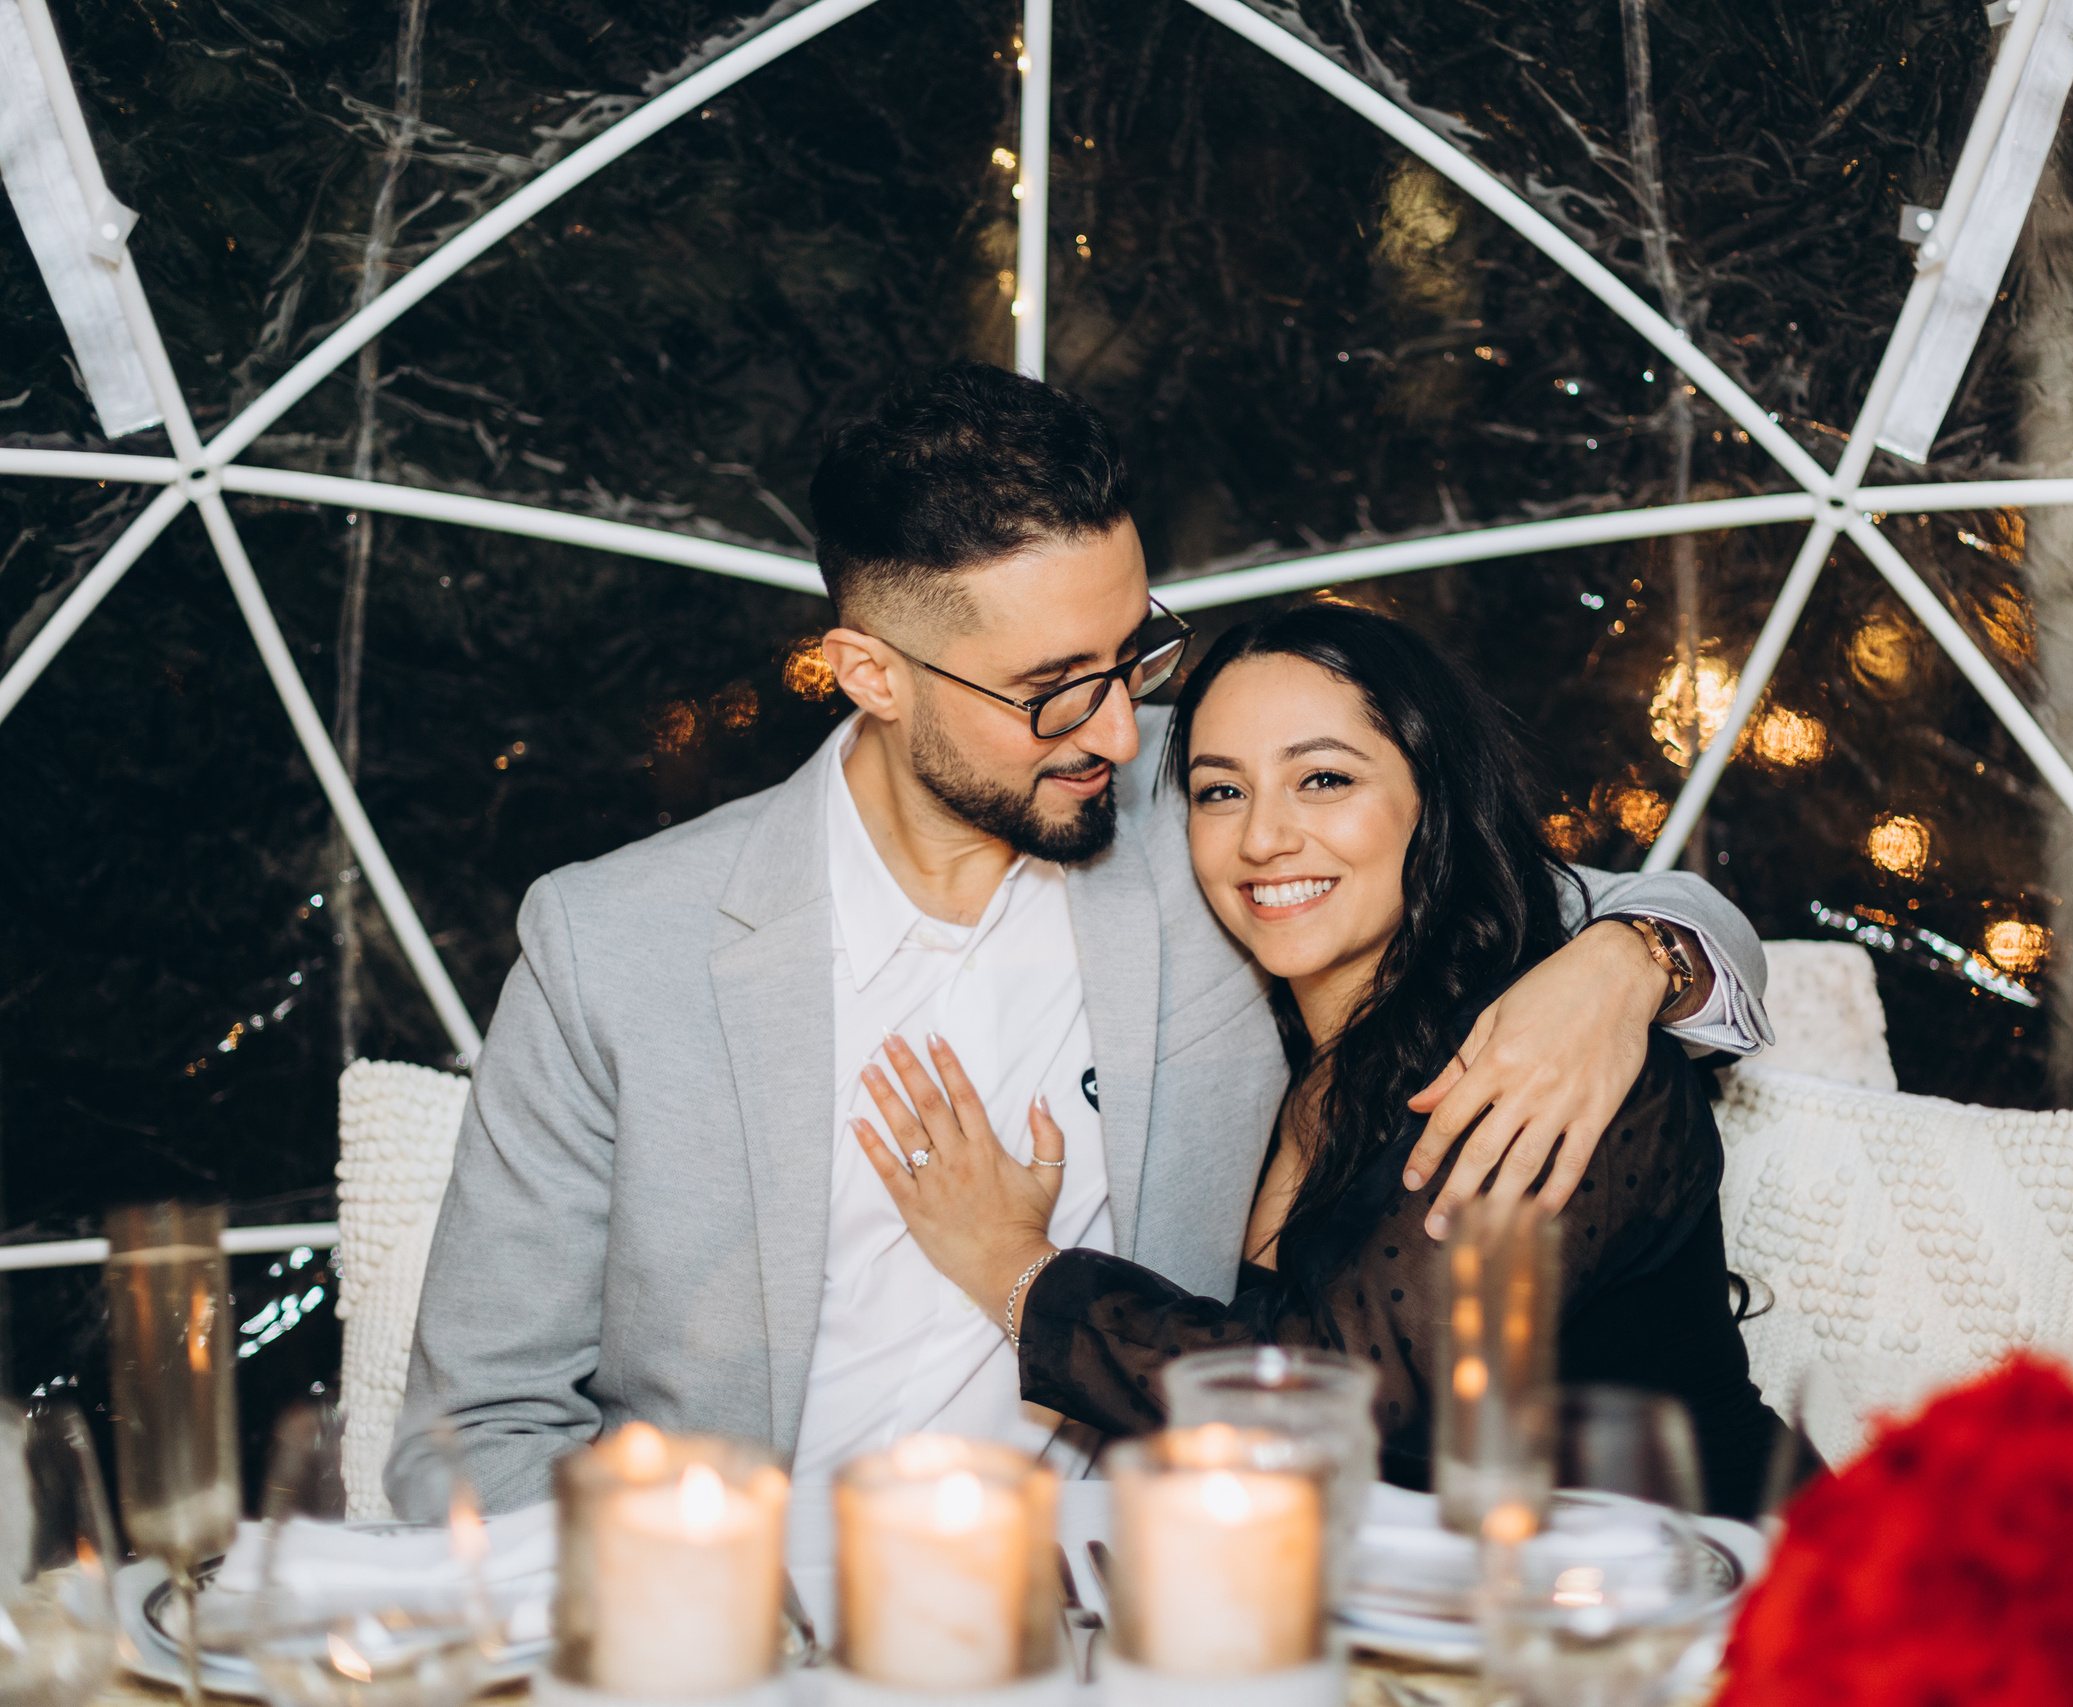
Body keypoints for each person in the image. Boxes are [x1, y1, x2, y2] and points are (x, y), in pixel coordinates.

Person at [388, 364, 1772, 1619]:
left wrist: (1625, 968)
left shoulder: (1217, 799)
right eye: (1053, 689)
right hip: (768, 1623)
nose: (1119, 728)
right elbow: (482, 1425)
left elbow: (1566, 889)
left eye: (1135, 654)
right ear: (869, 672)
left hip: (1157, 1601)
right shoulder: (617, 939)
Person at [853, 604, 1781, 1513]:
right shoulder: (1271, 1047)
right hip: (1416, 1605)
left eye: (1325, 780)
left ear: (1434, 798)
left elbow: (1338, 1400)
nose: (1263, 838)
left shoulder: (1552, 1060)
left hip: (1712, 1600)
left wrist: (1015, 1266)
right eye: (1222, 790)